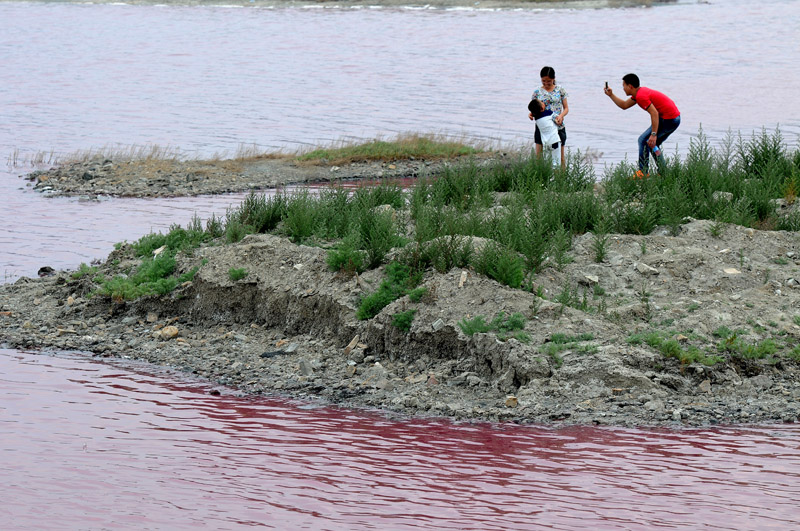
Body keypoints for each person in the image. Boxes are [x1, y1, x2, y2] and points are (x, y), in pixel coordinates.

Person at [604, 73, 681, 176]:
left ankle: (643, 172)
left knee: (643, 140)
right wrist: (611, 95)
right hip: (674, 118)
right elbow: (624, 105)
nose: (623, 89)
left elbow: (654, 113)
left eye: (624, 86)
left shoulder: (641, 96)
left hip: (669, 119)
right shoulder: (639, 94)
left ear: (630, 86)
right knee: (653, 144)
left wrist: (653, 134)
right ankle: (663, 172)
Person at [528, 66, 569, 168]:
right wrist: (531, 114)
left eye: (549, 81)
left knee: (560, 158)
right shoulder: (537, 92)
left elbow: (566, 108)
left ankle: (562, 181)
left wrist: (561, 116)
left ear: (553, 79)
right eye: (543, 81)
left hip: (558, 126)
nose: (546, 83)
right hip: (542, 128)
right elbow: (533, 108)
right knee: (539, 157)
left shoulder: (560, 90)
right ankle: (540, 180)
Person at [528, 99, 560, 165]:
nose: (543, 102)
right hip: (554, 140)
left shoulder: (536, 118)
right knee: (556, 161)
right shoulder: (549, 113)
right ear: (542, 108)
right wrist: (558, 121)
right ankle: (557, 174)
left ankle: (547, 174)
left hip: (545, 142)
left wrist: (531, 114)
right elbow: (557, 118)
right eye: (541, 102)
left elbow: (534, 112)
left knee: (547, 161)